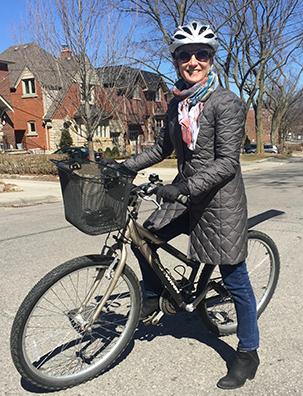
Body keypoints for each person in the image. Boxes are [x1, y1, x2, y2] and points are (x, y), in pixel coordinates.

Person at [123, 21, 260, 390]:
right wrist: (123, 166)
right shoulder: (177, 103)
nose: (193, 61)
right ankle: (152, 296)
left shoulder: (226, 101)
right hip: (185, 196)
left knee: (235, 279)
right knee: (144, 236)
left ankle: (248, 352)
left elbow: (228, 162)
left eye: (201, 54)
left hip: (220, 202)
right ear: (177, 60)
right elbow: (161, 149)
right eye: (185, 55)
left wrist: (184, 185)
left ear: (212, 60)